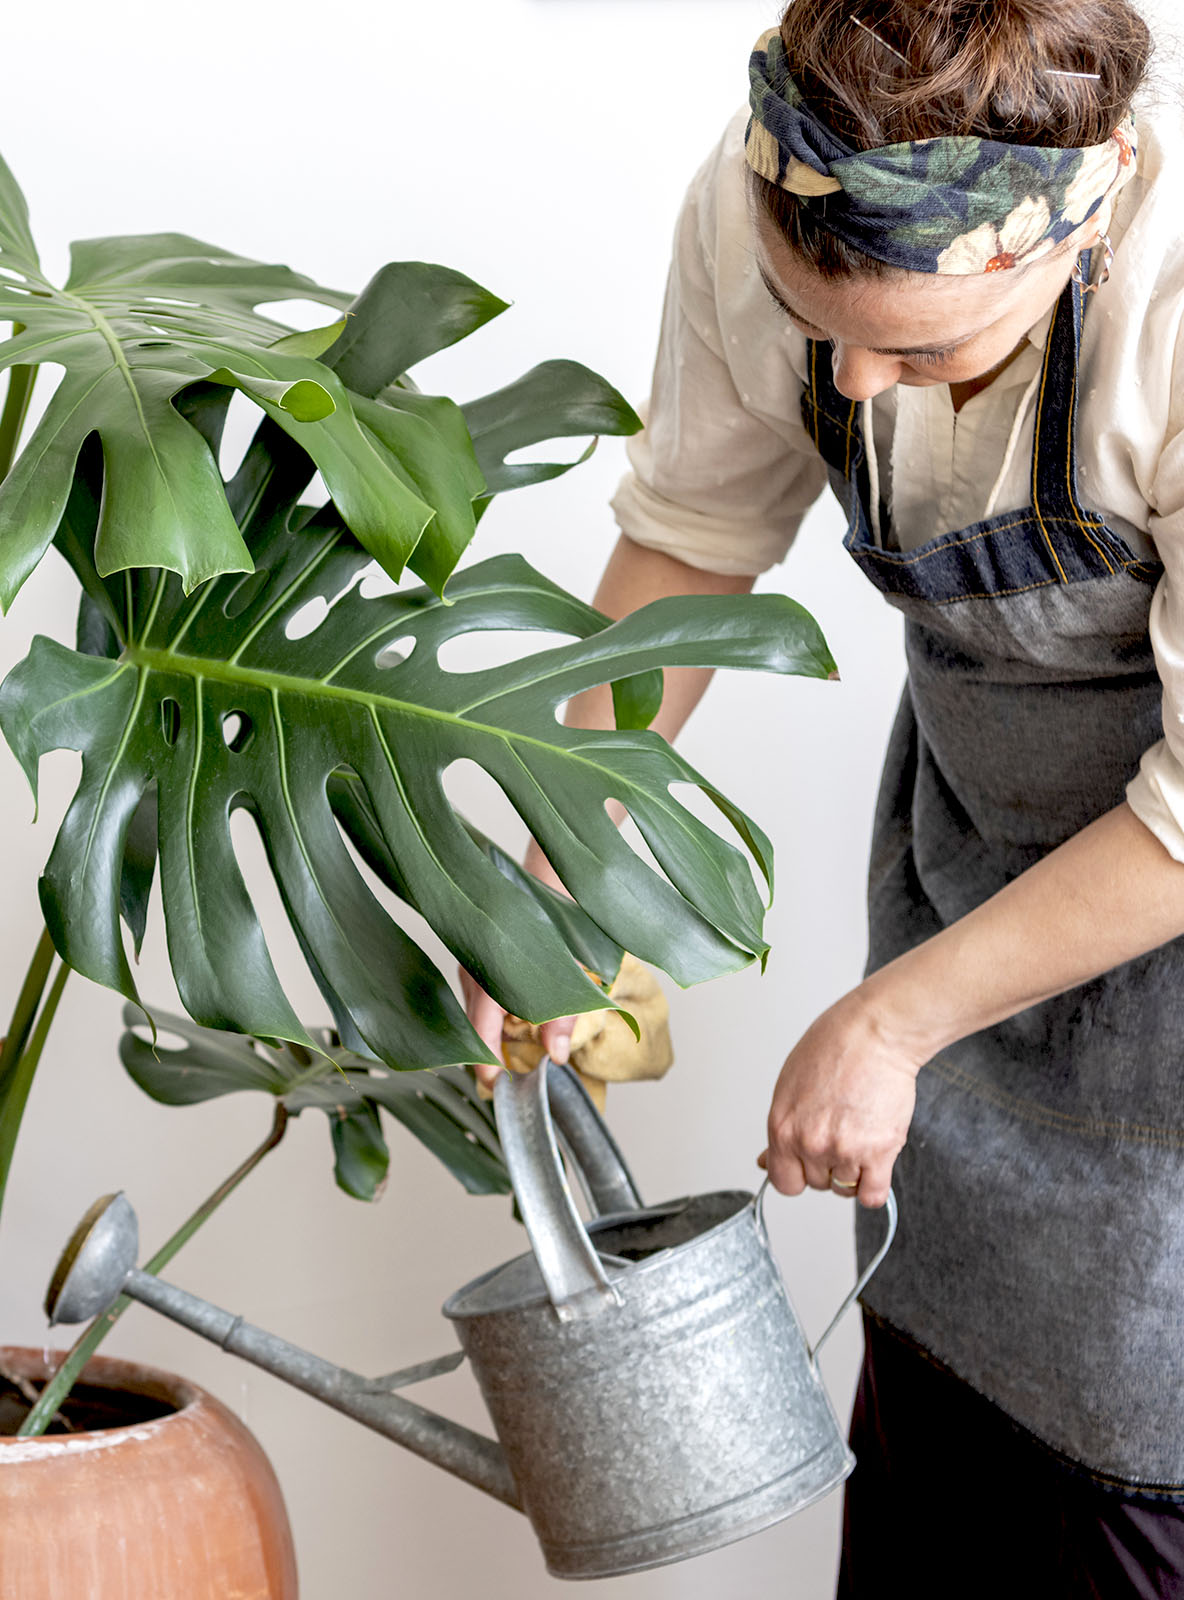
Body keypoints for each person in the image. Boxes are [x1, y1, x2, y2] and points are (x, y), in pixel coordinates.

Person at [462, 2, 1184, 1592]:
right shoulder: (764, 191)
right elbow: (696, 539)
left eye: (922, 347)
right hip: (964, 857)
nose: (856, 378)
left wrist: (888, 1024)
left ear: (1095, 200)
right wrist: (574, 857)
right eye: (822, 326)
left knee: (1141, 1446)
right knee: (937, 1392)